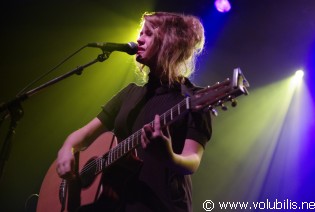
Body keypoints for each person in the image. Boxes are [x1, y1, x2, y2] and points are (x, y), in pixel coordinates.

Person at [56, 11, 212, 212]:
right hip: (115, 203)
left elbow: (192, 162)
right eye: (140, 33)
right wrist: (66, 149)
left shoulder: (193, 99)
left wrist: (168, 156)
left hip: (161, 205)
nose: (139, 38)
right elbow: (80, 137)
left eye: (148, 33)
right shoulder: (129, 94)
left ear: (170, 43)